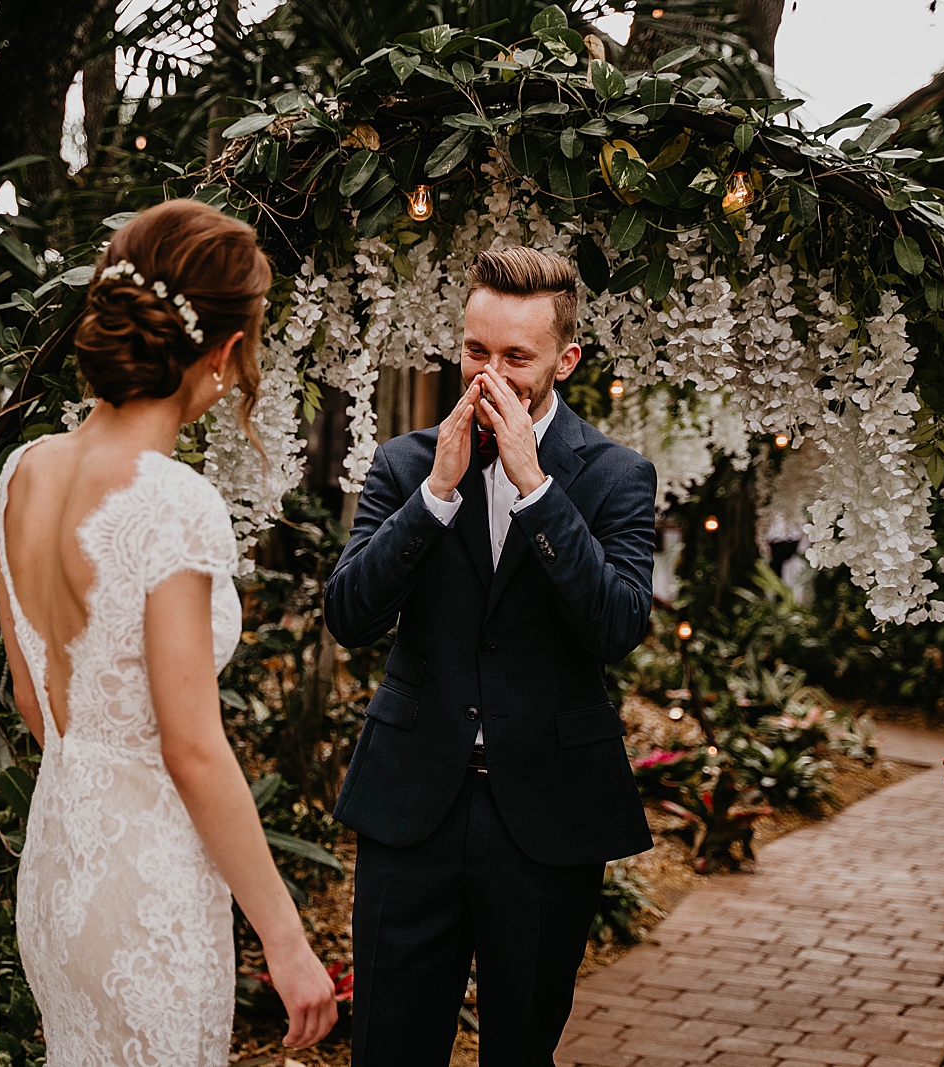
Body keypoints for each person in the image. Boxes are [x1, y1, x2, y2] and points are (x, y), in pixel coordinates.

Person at [0, 199, 337, 1065]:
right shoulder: (175, 504)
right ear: (223, 351)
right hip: (149, 886)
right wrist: (289, 942)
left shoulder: (23, 471)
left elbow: (33, 699)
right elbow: (192, 747)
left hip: (57, 863)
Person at [325, 246, 658, 1066]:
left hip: (547, 815)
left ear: (565, 360)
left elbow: (617, 625)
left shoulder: (617, 477)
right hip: (411, 807)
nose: (491, 372)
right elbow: (349, 615)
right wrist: (436, 495)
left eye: (517, 356)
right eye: (478, 350)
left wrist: (537, 489)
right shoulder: (406, 462)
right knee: (389, 1049)